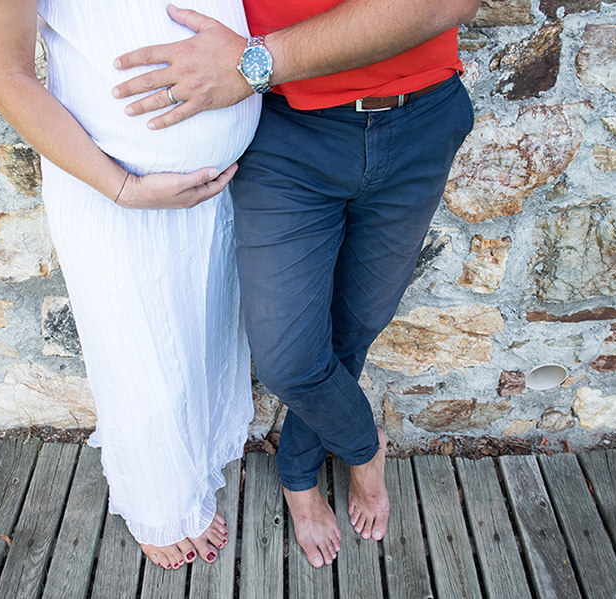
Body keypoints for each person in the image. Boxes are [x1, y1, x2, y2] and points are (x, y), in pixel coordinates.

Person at [111, 0, 481, 568]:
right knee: (289, 359)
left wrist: (254, 62)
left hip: (421, 120)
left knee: (354, 329)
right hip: (288, 132)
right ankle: (365, 447)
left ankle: (300, 476)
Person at [0, 0, 261, 570]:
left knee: (202, 338)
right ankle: (161, 506)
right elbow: (5, 73)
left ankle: (198, 463)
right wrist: (122, 187)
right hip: (112, 190)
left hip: (221, 186)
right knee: (142, 359)